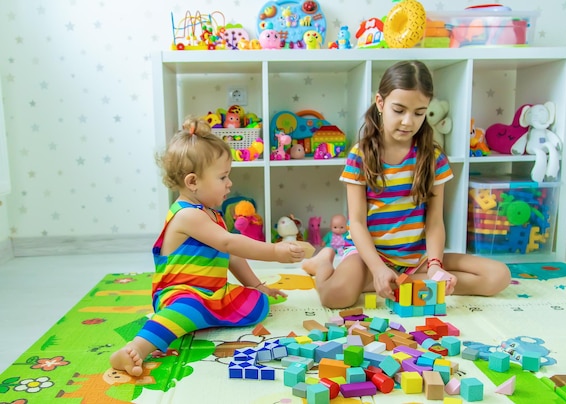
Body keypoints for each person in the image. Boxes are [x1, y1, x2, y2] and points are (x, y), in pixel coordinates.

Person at [303, 60, 511, 309]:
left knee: (499, 276)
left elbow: (434, 221)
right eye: (399, 110)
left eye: (419, 113)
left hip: (417, 255)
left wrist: (435, 266)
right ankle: (326, 261)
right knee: (335, 297)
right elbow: (356, 222)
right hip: (369, 254)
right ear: (380, 103)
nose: (408, 122)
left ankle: (398, 282)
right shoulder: (361, 155)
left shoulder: (433, 157)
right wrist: (378, 268)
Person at [110, 116, 305, 376]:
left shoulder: (212, 214)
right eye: (223, 177)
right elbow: (229, 241)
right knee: (187, 308)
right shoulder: (187, 215)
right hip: (180, 294)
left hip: (213, 292)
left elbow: (231, 254)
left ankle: (200, 318)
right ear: (193, 182)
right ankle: (136, 349)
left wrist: (257, 286)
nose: (230, 183)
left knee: (258, 304)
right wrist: (275, 252)